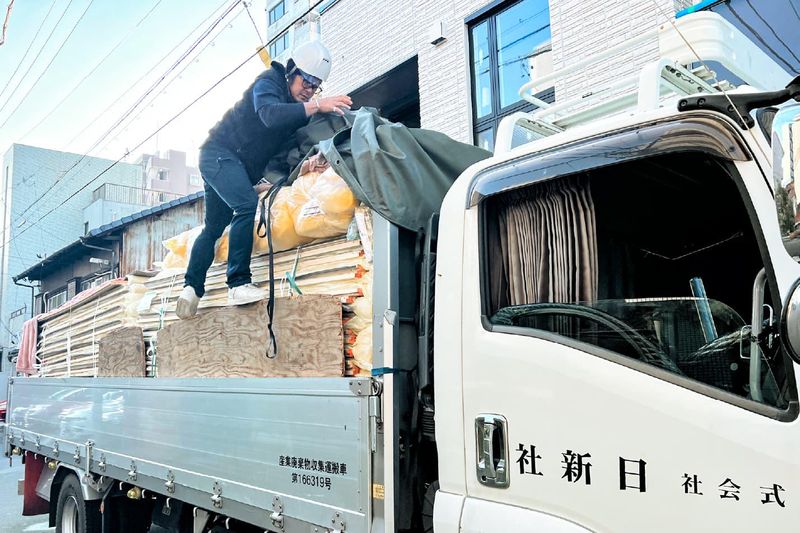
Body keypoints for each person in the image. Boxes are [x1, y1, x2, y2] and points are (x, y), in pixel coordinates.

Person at [176, 40, 352, 319]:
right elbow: (269, 115)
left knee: (214, 227)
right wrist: (319, 105)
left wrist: (306, 165)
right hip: (218, 154)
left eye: (315, 86)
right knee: (245, 205)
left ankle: (191, 289)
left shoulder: (298, 113)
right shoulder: (269, 81)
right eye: (306, 82)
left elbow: (284, 155)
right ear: (291, 71)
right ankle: (237, 283)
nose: (308, 91)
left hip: (237, 168)